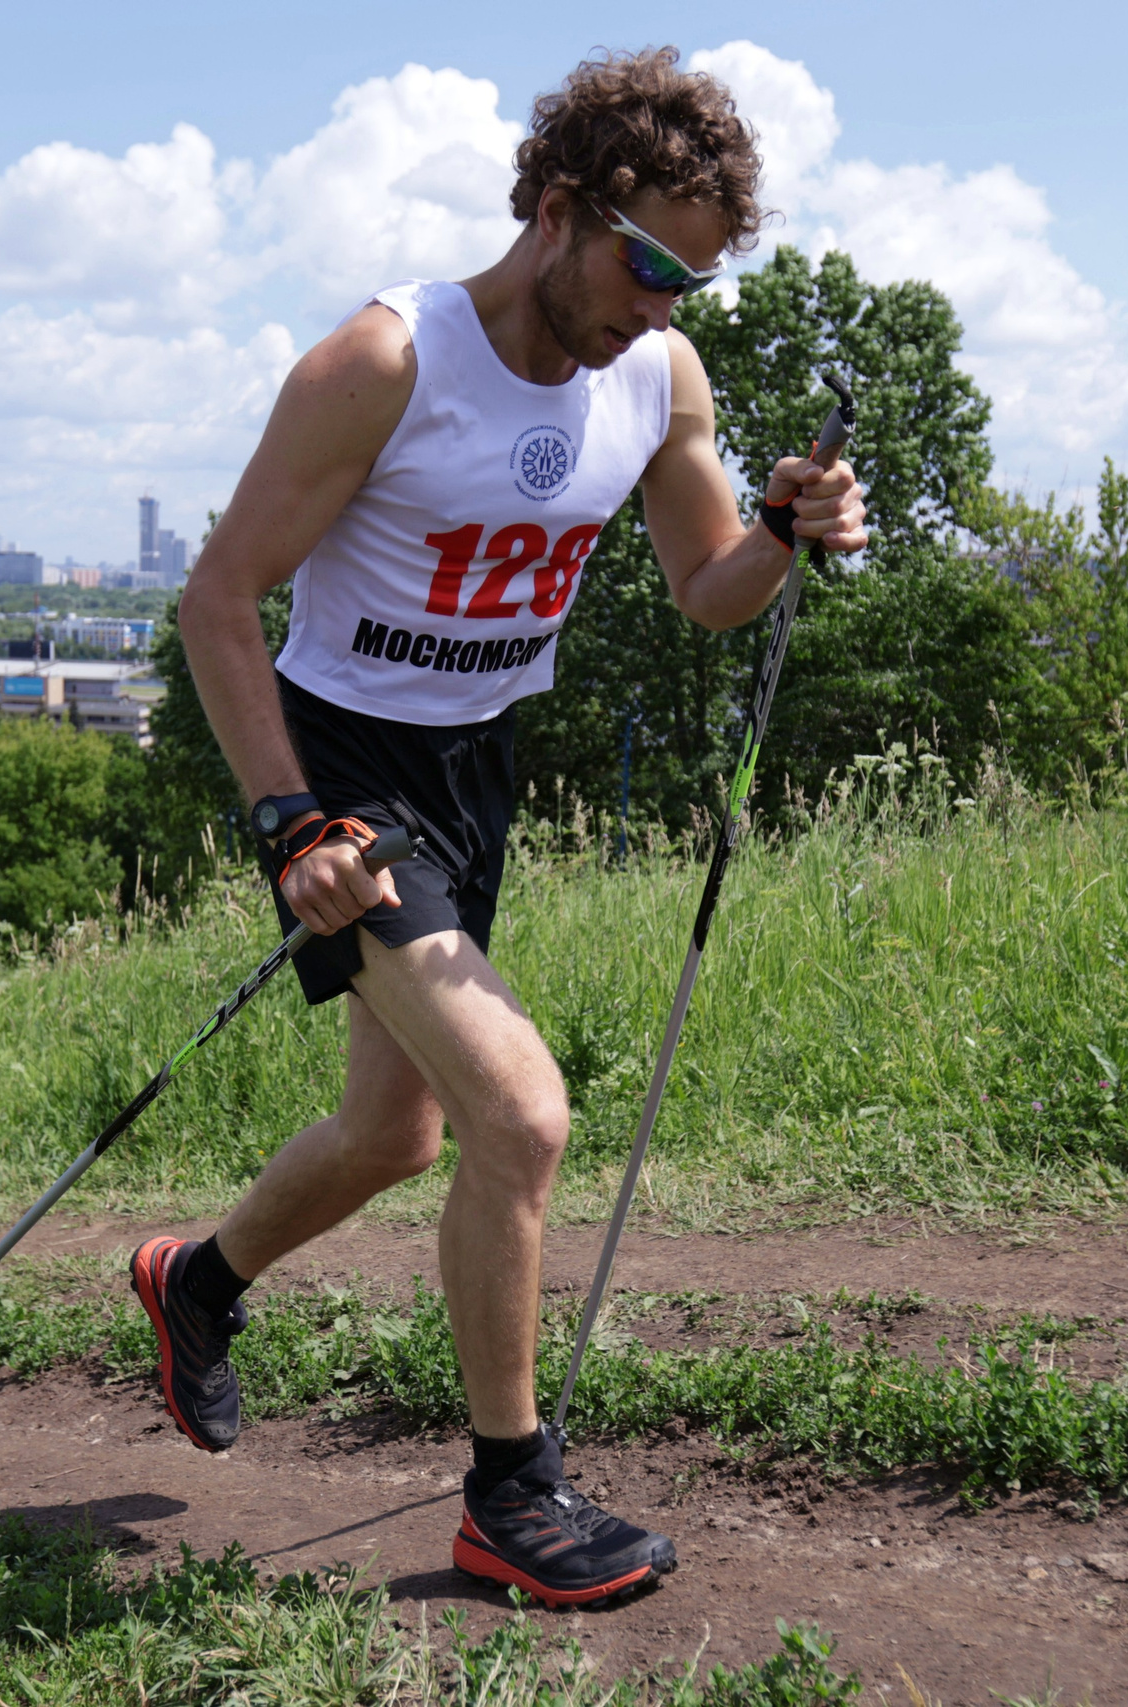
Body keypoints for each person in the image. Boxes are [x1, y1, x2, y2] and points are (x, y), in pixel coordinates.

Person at [134, 46, 866, 1608]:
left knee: (400, 1134)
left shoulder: (658, 378)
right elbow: (216, 601)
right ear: (555, 209)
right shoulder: (386, 365)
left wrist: (789, 534)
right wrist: (287, 825)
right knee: (520, 1117)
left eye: (696, 280)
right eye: (647, 262)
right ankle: (507, 1500)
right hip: (343, 770)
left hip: (477, 767)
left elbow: (709, 591)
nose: (663, 305)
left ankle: (193, 1283)